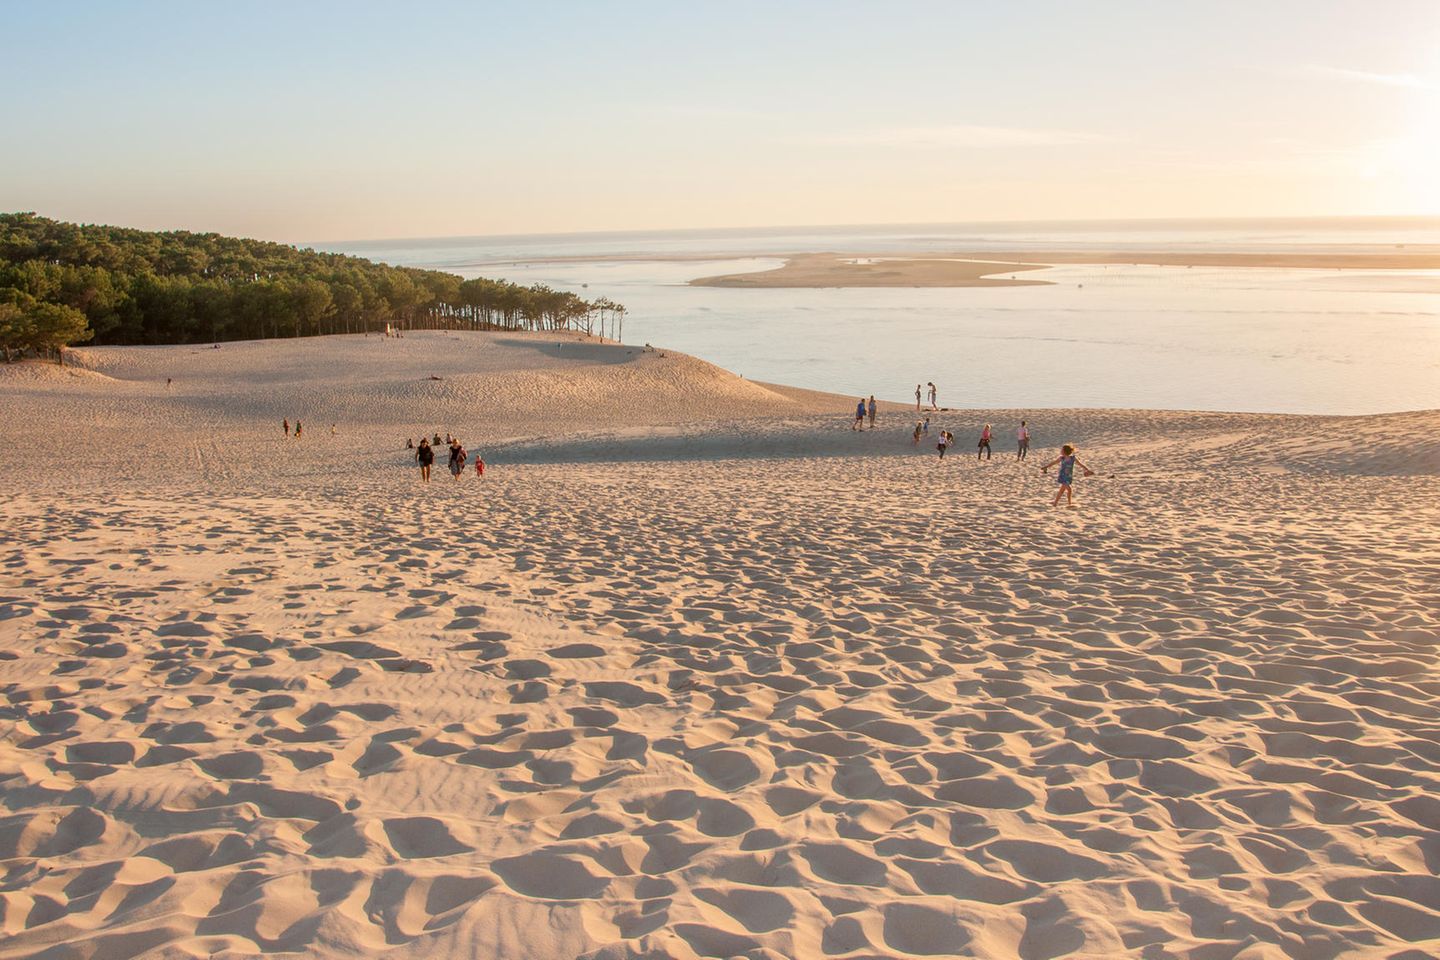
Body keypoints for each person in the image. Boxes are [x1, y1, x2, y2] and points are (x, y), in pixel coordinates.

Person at [1041, 444, 1094, 508]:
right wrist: (1046, 467)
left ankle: (1056, 503)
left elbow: (1080, 464)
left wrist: (1087, 469)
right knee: (1069, 489)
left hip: (1069, 476)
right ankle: (1068, 503)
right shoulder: (1061, 458)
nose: (1061, 451)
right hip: (1063, 476)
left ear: (1065, 451)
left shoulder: (1072, 458)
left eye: (1062, 450)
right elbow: (1054, 463)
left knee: (1062, 490)